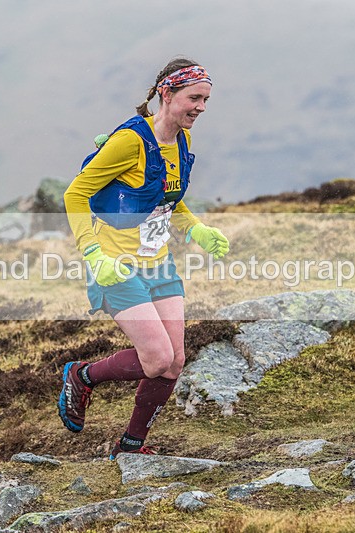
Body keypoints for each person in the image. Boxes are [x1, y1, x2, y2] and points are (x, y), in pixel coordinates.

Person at [58, 57, 230, 459]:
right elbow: (74, 194)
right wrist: (93, 253)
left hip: (159, 262)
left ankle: (131, 445)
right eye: (194, 98)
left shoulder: (182, 141)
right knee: (156, 358)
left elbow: (167, 198)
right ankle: (82, 376)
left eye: (205, 99)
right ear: (166, 94)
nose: (201, 107)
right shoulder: (129, 142)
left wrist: (196, 229)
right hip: (115, 264)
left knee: (174, 362)